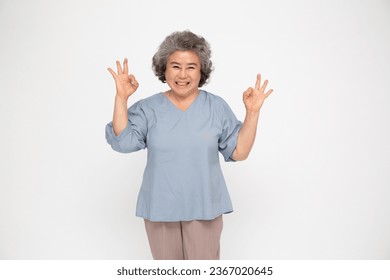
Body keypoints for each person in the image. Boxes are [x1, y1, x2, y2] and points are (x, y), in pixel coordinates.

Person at [105, 30, 273, 260]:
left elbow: (239, 151)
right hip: (160, 207)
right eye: (175, 66)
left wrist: (252, 113)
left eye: (191, 67)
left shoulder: (215, 107)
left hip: (204, 206)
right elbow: (123, 143)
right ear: (163, 68)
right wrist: (121, 98)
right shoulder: (148, 108)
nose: (182, 74)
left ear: (201, 71)